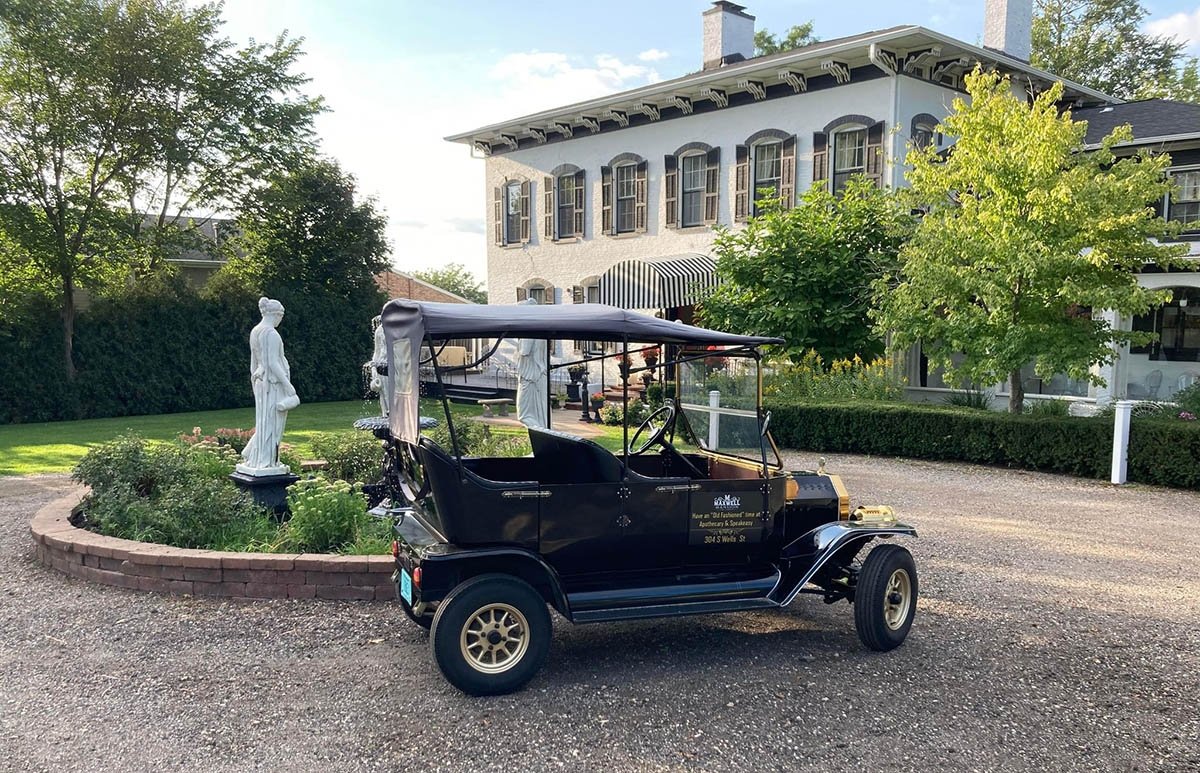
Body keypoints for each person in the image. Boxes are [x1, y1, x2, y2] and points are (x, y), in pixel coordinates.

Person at [238, 297, 300, 475]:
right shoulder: (271, 334)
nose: (281, 320)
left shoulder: (255, 331)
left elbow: (253, 363)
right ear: (276, 314)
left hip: (260, 382)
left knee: (265, 421)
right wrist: (288, 386)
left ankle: (254, 456)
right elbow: (273, 363)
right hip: (274, 384)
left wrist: (254, 381)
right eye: (281, 316)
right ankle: (267, 462)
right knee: (272, 424)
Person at [515, 298, 549, 428]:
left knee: (524, 415)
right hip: (536, 374)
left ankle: (541, 434)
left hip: (530, 376)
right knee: (540, 412)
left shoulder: (529, 331)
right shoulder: (539, 329)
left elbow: (524, 351)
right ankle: (542, 435)